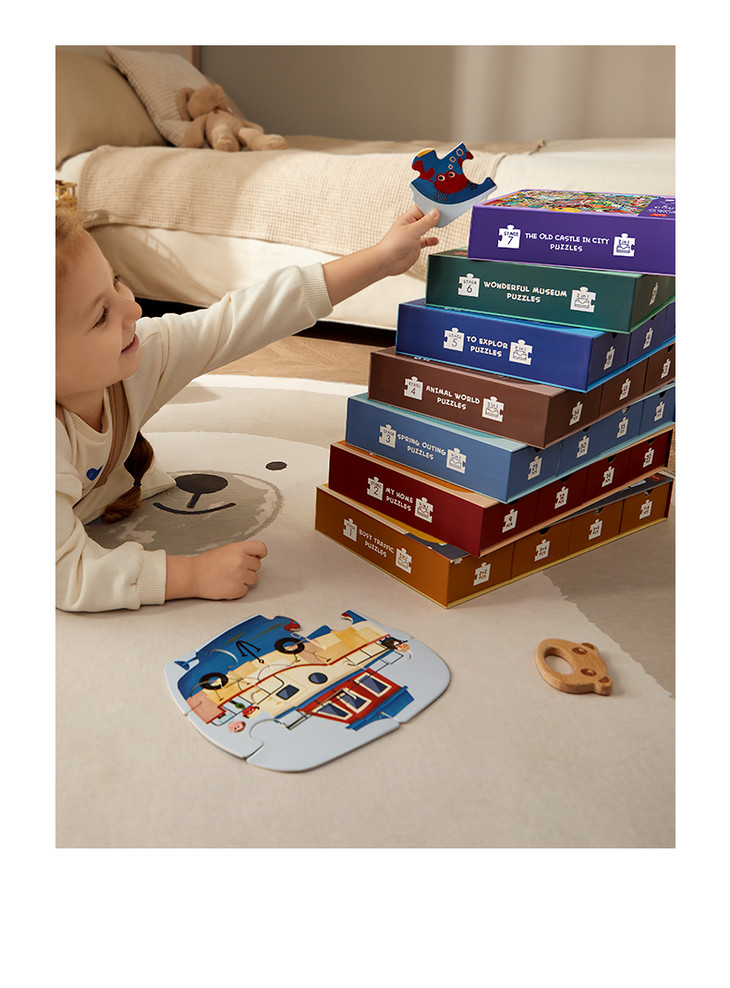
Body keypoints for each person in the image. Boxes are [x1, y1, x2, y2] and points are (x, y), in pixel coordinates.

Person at [56, 203, 440, 612]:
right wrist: (190, 574)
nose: (133, 309)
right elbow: (64, 575)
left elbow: (244, 317)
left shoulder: (140, 354)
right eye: (101, 316)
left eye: (116, 282)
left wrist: (380, 258)